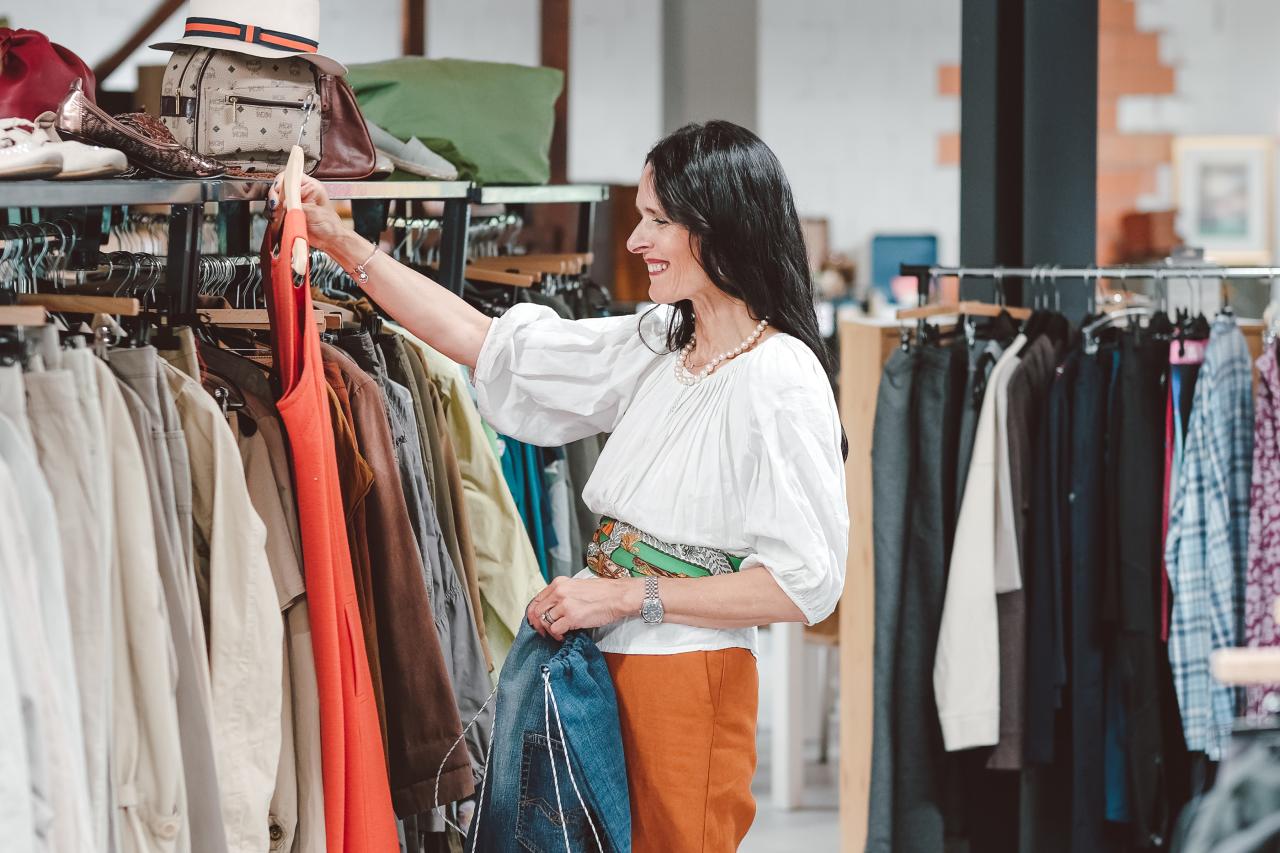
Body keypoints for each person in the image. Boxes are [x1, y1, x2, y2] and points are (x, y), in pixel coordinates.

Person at [270, 120, 849, 852]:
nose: (635, 240)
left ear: (720, 227)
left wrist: (620, 594)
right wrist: (342, 243)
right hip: (598, 664)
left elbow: (806, 583)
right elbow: (491, 344)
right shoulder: (662, 342)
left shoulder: (781, 373)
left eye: (657, 220)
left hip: (686, 677)